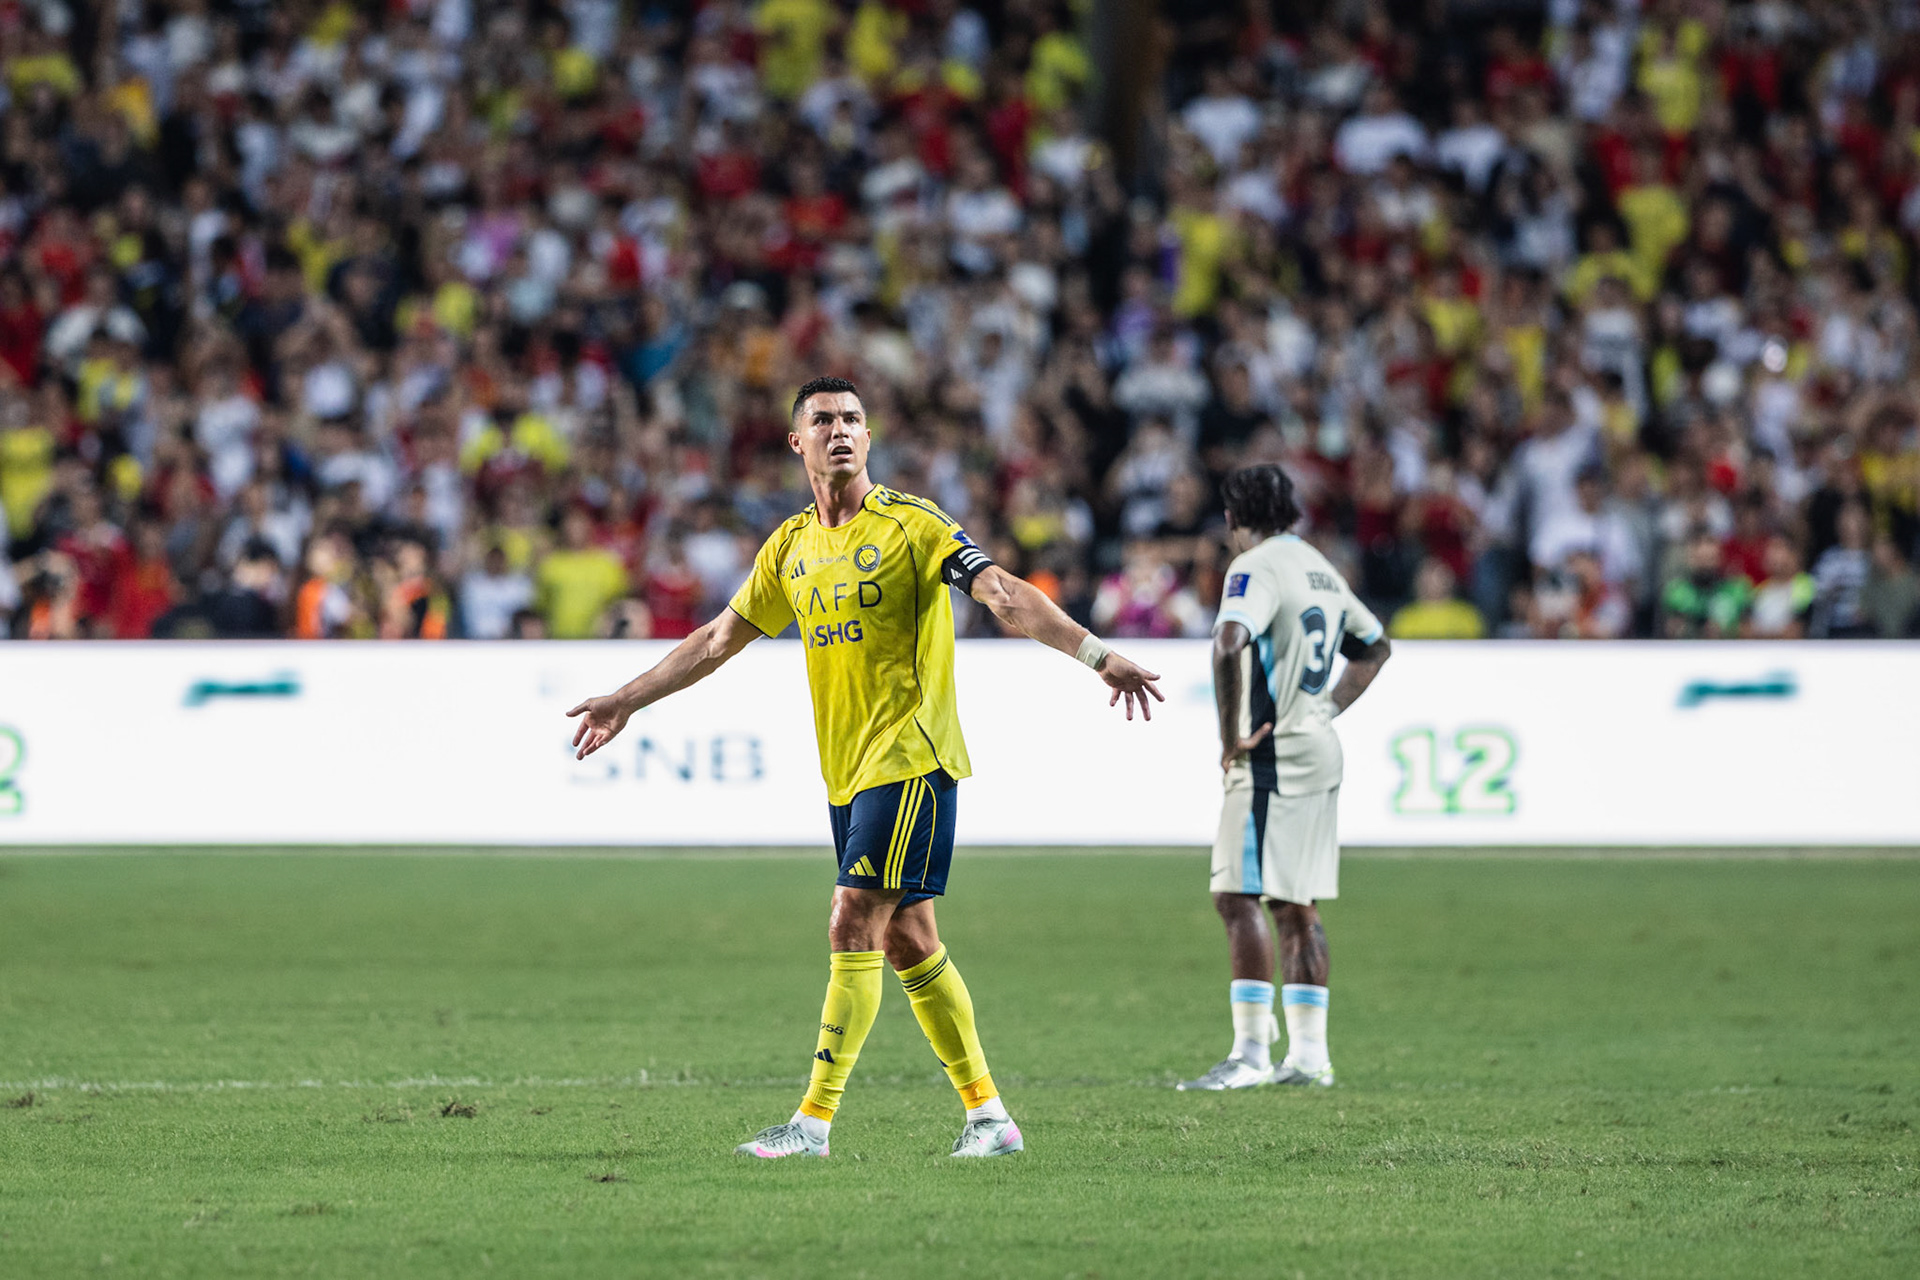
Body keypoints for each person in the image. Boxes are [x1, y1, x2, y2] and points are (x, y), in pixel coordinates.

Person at [564, 376, 1164, 1158]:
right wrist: (627, 700)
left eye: (853, 419)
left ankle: (811, 1124)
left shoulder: (914, 525)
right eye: (823, 420)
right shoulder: (790, 547)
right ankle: (991, 1120)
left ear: (868, 438)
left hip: (911, 756)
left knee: (852, 920)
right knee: (910, 939)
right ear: (797, 442)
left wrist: (1096, 655)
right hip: (847, 772)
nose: (840, 430)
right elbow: (716, 642)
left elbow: (1002, 595)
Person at [1178, 464, 1391, 1092]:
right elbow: (1375, 646)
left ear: (1230, 519)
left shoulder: (1255, 566)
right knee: (1296, 903)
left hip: (1269, 758)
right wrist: (1326, 707)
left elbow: (1227, 641)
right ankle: (1310, 1057)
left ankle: (1250, 1053)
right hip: (1319, 750)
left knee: (1236, 894)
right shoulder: (1320, 566)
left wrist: (1228, 740)